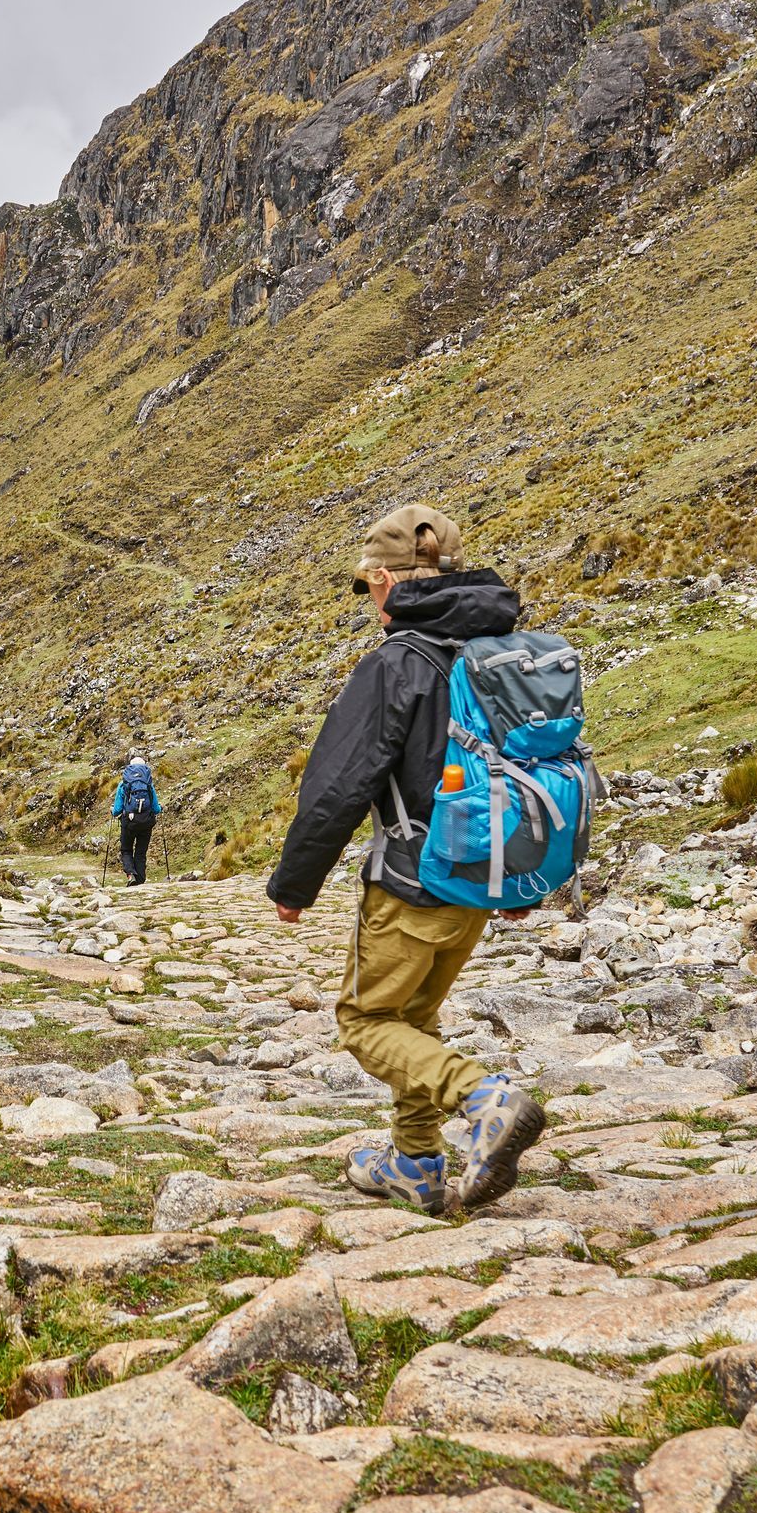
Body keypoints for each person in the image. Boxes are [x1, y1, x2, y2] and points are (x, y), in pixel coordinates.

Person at [265, 503, 545, 1217]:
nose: (369, 600)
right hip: (480, 877)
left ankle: (485, 1099)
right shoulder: (492, 654)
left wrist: (295, 883)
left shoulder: (398, 663)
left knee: (365, 1021)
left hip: (413, 877)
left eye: (367, 586)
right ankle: (416, 1164)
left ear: (385, 579)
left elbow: (339, 783)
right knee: (413, 1020)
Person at [111, 754, 160, 884]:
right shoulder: (148, 784)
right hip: (146, 823)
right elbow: (156, 809)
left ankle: (130, 875)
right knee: (140, 852)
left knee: (126, 850)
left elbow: (116, 810)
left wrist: (112, 810)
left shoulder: (124, 784)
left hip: (129, 823)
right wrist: (159, 808)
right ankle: (140, 880)